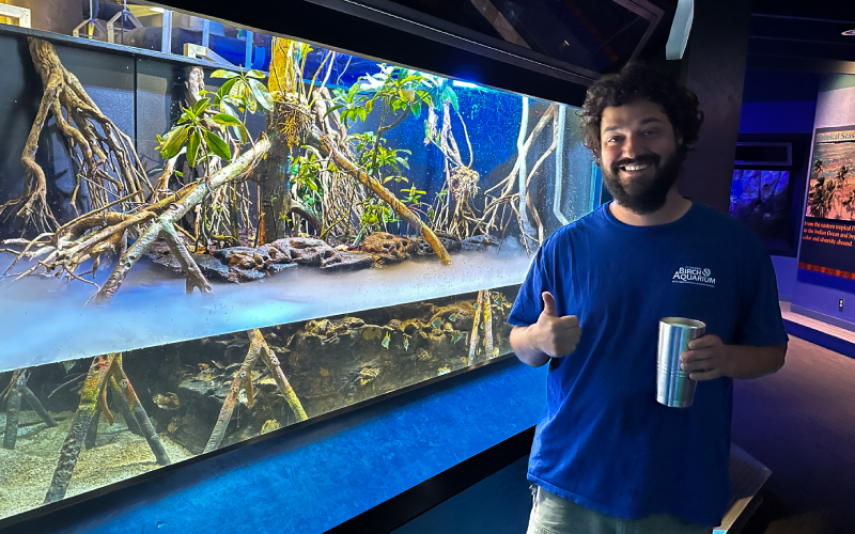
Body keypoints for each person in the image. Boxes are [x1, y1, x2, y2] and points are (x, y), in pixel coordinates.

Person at [508, 62, 789, 534]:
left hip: (676, 491)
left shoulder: (733, 246)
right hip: (567, 484)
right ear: (597, 150)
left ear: (679, 136)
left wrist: (725, 359)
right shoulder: (567, 245)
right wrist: (538, 338)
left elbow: (772, 353)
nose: (631, 149)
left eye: (649, 131)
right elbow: (522, 344)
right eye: (614, 136)